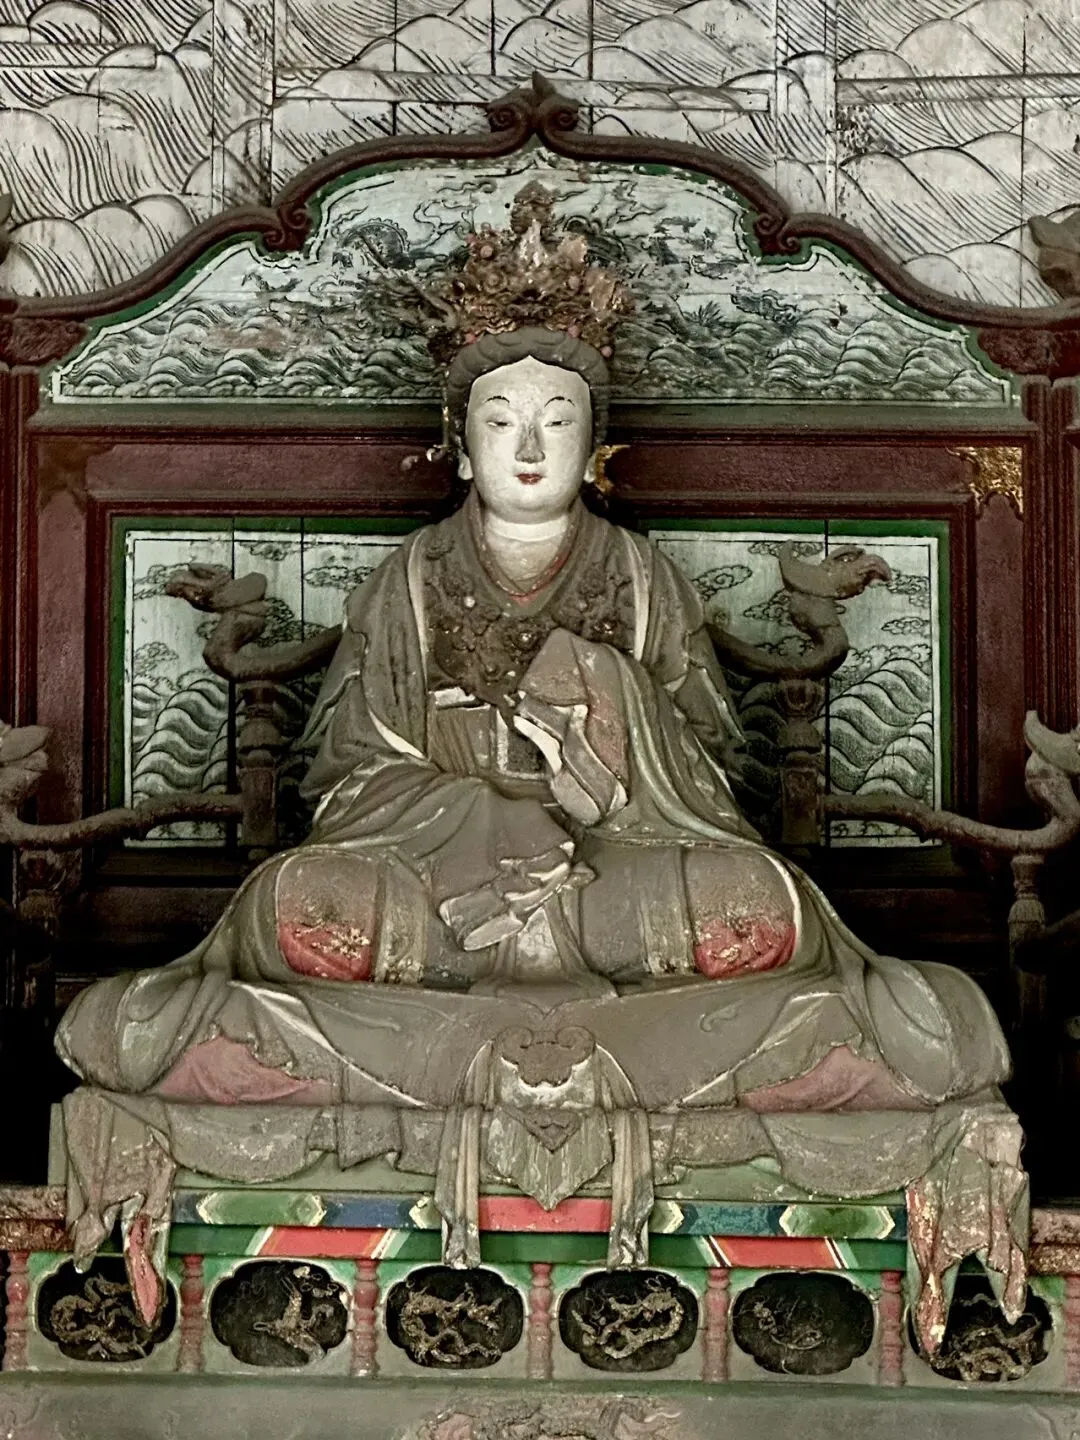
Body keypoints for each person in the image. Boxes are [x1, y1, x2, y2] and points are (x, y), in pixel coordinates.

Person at [55, 187, 1027, 1353]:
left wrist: (608, 755)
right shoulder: (409, 579)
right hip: (435, 892)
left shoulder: (644, 578)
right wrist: (482, 810)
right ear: (458, 438)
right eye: (501, 420)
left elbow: (709, 776)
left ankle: (458, 1044)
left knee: (759, 907)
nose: (526, 447)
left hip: (620, 881)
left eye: (555, 421)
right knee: (296, 904)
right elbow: (349, 775)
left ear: (595, 440)